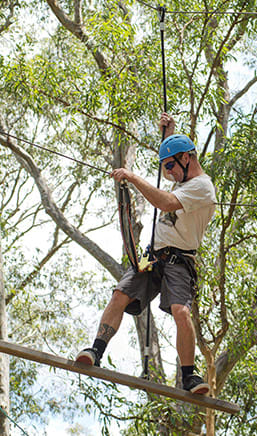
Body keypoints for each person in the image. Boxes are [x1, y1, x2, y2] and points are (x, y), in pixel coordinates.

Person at [76, 113, 216, 395]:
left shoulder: (202, 187)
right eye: (165, 168)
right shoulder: (183, 176)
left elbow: (165, 203)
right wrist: (169, 134)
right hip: (152, 257)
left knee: (181, 311)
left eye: (171, 167)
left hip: (180, 260)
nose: (169, 174)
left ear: (187, 159)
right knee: (120, 295)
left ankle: (189, 376)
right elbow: (173, 158)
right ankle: (96, 350)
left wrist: (131, 176)